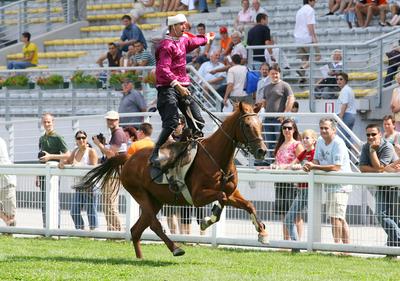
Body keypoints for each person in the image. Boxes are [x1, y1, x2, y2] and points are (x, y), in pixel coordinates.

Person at [149, 14, 215, 168]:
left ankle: (184, 149)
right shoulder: (166, 46)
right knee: (171, 122)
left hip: (183, 86)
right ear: (172, 27)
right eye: (181, 25)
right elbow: (163, 69)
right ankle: (155, 151)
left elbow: (194, 41)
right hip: (168, 88)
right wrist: (177, 85)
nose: (185, 27)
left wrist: (206, 38)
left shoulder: (183, 39)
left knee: (198, 122)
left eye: (185, 25)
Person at [303, 118, 352, 245]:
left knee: (336, 218)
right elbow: (317, 160)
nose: (323, 131)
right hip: (329, 184)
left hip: (341, 185)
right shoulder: (319, 141)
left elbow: (336, 167)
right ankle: (347, 248)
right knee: (339, 218)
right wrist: (309, 164)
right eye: (321, 128)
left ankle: (337, 247)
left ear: (334, 130)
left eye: (326, 128)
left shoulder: (338, 143)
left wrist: (314, 167)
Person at [359, 123, 400, 247]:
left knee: (394, 218)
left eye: (373, 134)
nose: (370, 137)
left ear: (380, 134)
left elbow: (379, 167)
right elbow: (362, 167)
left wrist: (372, 152)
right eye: (368, 135)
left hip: (395, 186)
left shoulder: (387, 146)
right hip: (382, 186)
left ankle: (391, 250)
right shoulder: (366, 146)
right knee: (381, 215)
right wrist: (380, 169)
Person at [92, 111, 127, 231]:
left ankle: (117, 232)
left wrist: (98, 144)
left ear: (118, 120)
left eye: (113, 120)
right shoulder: (116, 133)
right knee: (107, 203)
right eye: (109, 120)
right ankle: (112, 231)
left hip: (114, 172)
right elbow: (112, 152)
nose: (111, 122)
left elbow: (111, 154)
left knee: (110, 204)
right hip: (113, 172)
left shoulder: (118, 133)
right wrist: (104, 145)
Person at [58, 130, 99, 230]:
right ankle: (80, 229)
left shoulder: (91, 151)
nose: (81, 140)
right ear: (76, 140)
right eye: (79, 138)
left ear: (86, 139)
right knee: (74, 211)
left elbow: (94, 168)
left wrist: (79, 165)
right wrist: (62, 163)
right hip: (79, 185)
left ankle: (93, 231)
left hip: (89, 186)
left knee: (90, 210)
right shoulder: (75, 150)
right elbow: (69, 161)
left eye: (83, 137)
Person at [271, 119, 304, 241]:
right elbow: (277, 161)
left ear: (294, 129)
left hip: (293, 183)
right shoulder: (280, 145)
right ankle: (286, 242)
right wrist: (274, 165)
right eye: (284, 127)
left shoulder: (297, 144)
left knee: (295, 215)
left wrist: (286, 167)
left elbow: (301, 162)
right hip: (280, 181)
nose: (287, 130)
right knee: (283, 213)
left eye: (289, 128)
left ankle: (298, 242)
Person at [284, 129, 317, 242]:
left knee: (292, 219)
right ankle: (296, 244)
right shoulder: (304, 153)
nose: (304, 140)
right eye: (303, 138)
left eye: (307, 137)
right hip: (301, 190)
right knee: (289, 218)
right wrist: (293, 166)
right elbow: (292, 165)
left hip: (310, 190)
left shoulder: (315, 153)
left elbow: (310, 167)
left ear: (314, 140)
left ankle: (301, 245)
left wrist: (300, 167)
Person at [37, 113, 70, 228]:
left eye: (49, 122)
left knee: (54, 199)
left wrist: (51, 156)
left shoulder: (58, 137)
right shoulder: (42, 138)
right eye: (45, 122)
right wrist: (37, 175)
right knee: (44, 200)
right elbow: (41, 157)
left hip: (54, 173)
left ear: (53, 122)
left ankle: (57, 228)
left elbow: (67, 155)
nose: (47, 124)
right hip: (43, 173)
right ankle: (46, 227)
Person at [262, 63, 295, 155]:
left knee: (280, 141)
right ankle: (271, 162)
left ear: (279, 74)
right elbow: (264, 102)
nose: (274, 75)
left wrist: (284, 114)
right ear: (269, 74)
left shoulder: (285, 85)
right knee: (269, 143)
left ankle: (281, 161)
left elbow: (291, 99)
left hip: (279, 120)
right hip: (267, 119)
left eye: (276, 73)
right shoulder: (266, 87)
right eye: (272, 73)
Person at [294, 0, 320, 84]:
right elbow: (310, 25)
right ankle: (302, 68)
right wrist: (314, 38)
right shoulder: (310, 10)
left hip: (298, 38)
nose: (315, 2)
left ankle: (302, 78)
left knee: (304, 58)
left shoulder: (299, 11)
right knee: (317, 56)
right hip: (307, 38)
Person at [0, 137, 17, 227]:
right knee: (8, 217)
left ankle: (10, 231)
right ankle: (7, 221)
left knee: (10, 214)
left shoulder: (0, 141)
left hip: (7, 181)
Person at [336, 72, 357, 145]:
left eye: (341, 79)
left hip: (346, 115)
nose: (339, 81)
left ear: (345, 80)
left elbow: (344, 104)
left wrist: (340, 117)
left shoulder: (345, 90)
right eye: (337, 79)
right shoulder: (349, 89)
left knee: (341, 137)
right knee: (347, 137)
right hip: (351, 115)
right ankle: (351, 154)